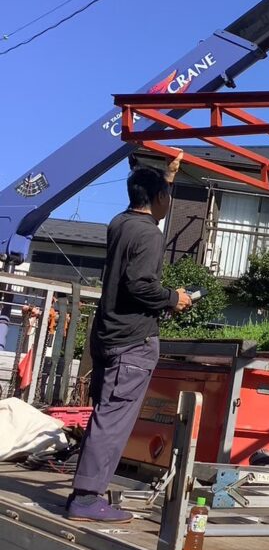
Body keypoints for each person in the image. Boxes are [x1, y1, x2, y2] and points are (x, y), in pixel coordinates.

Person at [67, 153, 192, 522]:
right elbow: (139, 285)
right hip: (132, 341)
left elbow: (147, 203)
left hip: (108, 334)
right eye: (166, 195)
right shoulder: (149, 234)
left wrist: (166, 177)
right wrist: (174, 298)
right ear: (157, 200)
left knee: (105, 414)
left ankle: (87, 490)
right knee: (114, 418)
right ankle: (87, 498)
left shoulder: (119, 223)